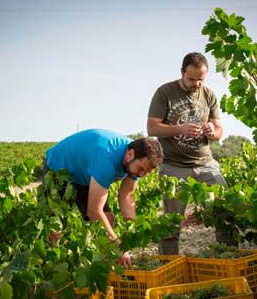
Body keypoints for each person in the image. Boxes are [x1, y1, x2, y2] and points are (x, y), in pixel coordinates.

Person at [147, 52, 232, 255]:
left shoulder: (209, 95)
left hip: (206, 164)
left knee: (225, 214)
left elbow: (219, 130)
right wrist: (181, 129)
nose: (196, 84)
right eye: (191, 79)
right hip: (174, 166)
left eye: (200, 79)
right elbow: (152, 128)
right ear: (182, 73)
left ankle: (229, 259)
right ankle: (168, 267)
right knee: (170, 225)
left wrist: (213, 132)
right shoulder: (165, 92)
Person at [44, 128, 163, 267]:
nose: (141, 175)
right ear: (130, 154)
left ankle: (106, 263)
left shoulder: (137, 158)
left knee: (109, 217)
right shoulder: (106, 158)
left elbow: (126, 195)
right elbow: (94, 211)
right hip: (59, 168)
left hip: (86, 174)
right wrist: (118, 246)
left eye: (146, 173)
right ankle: (51, 266)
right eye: (141, 169)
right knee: (56, 229)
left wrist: (134, 229)